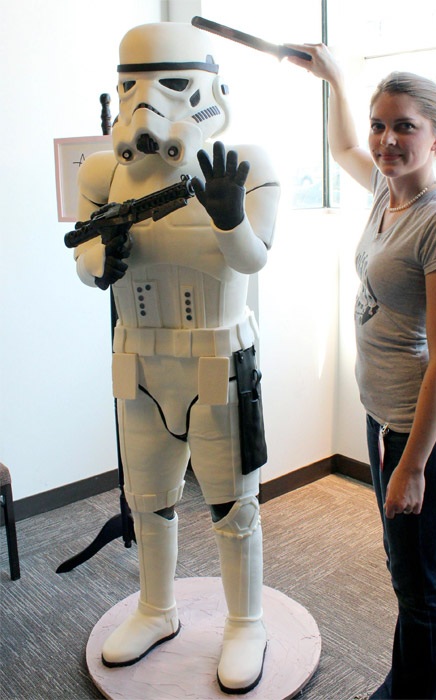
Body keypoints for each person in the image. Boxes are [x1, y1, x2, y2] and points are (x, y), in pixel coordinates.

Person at [73, 22, 280, 694]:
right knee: (148, 500)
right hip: (138, 360)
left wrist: (230, 218)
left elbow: (253, 259)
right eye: (131, 87)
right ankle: (156, 609)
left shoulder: (244, 163)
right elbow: (85, 257)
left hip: (217, 358)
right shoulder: (103, 172)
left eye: (171, 84)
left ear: (209, 87)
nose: (148, 105)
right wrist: (104, 260)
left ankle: (246, 622)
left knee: (234, 506)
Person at [286, 44, 436, 699]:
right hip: (388, 419)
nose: (386, 140)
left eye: (404, 127)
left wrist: (413, 465)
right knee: (409, 576)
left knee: (420, 587)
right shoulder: (384, 192)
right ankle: (418, 686)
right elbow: (344, 145)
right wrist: (336, 80)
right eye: (379, 125)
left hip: (428, 431)